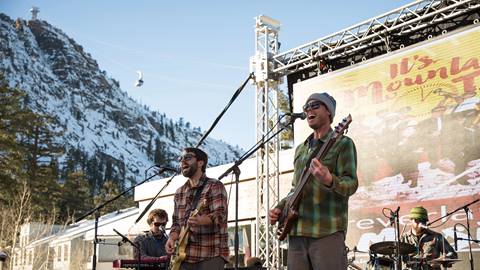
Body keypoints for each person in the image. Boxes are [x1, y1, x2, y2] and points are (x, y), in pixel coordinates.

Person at [268, 92, 358, 270]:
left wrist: (329, 179)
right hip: (296, 232)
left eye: (315, 105)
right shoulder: (301, 149)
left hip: (326, 231)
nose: (309, 109)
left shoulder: (343, 143)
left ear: (329, 113)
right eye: (306, 107)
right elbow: (296, 188)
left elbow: (351, 184)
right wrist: (280, 207)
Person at [165, 147, 229, 270]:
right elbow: (176, 223)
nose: (182, 162)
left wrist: (204, 220)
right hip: (183, 257)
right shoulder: (180, 192)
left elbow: (220, 215)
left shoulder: (214, 185)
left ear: (201, 163)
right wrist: (172, 237)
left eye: (188, 158)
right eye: (181, 159)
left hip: (210, 254)